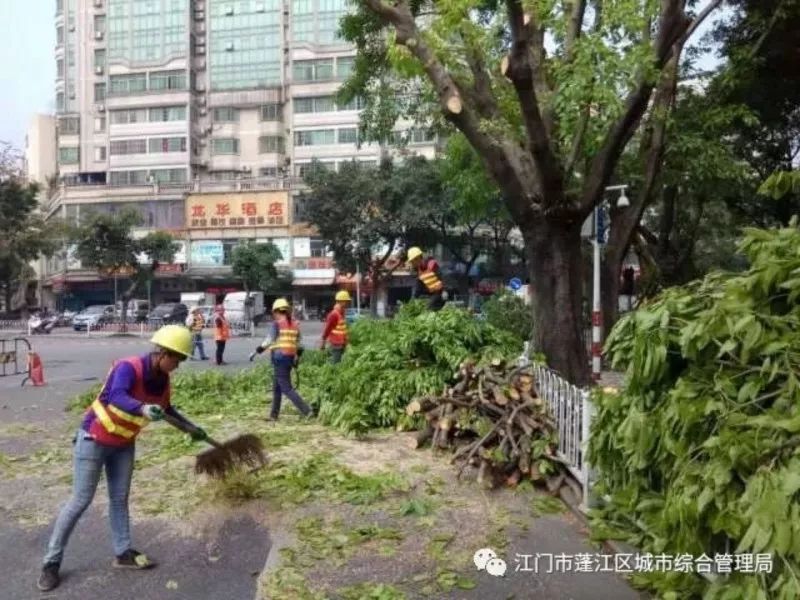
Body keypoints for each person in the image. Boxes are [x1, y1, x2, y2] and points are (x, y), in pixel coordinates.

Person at [37, 325, 207, 592]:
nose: (178, 365)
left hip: (124, 445)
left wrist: (190, 428)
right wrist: (141, 408)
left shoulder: (163, 380)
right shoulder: (129, 367)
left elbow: (166, 410)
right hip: (93, 439)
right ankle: (51, 563)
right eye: (177, 359)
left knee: (120, 499)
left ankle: (123, 552)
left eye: (181, 360)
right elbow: (116, 396)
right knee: (80, 500)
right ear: (163, 352)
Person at [249, 298, 311, 421]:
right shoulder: (294, 324)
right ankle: (274, 415)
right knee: (277, 387)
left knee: (286, 388)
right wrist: (297, 359)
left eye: (274, 312)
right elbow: (299, 344)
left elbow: (269, 341)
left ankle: (307, 411)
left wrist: (255, 352)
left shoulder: (276, 324)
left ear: (277, 311)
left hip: (279, 358)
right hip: (289, 357)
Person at [407, 246, 448, 311]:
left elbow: (442, 277)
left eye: (412, 261)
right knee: (422, 308)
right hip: (431, 294)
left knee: (429, 308)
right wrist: (412, 300)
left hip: (440, 294)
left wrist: (445, 290)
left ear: (417, 258)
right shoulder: (419, 269)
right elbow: (418, 287)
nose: (412, 264)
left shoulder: (432, 264)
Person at [320, 290, 351, 364]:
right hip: (336, 344)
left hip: (341, 344)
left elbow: (343, 330)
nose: (347, 304)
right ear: (341, 302)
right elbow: (327, 329)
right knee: (335, 364)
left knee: (339, 363)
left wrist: (347, 342)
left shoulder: (341, 314)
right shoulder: (334, 314)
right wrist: (323, 342)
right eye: (346, 301)